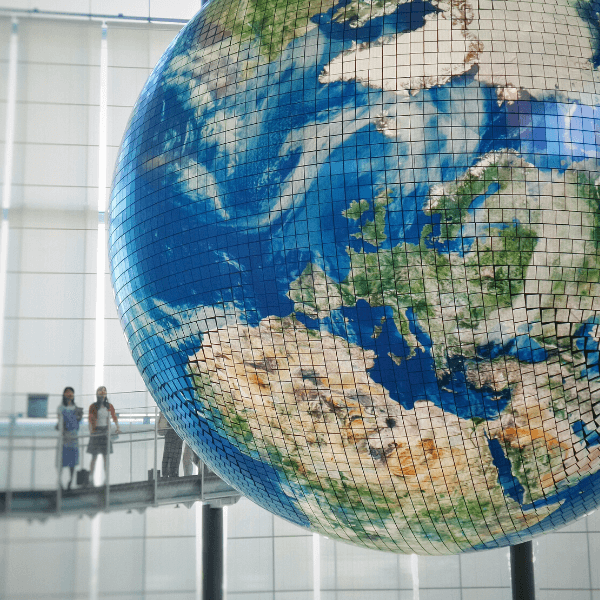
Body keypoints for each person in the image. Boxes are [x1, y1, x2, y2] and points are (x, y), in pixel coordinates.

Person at [87, 386, 121, 481]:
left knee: (105, 456)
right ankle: (91, 476)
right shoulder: (93, 406)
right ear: (97, 393)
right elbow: (90, 420)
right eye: (100, 391)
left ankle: (106, 477)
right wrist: (91, 432)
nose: (103, 392)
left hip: (105, 431)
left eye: (104, 391)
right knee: (94, 456)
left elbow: (113, 417)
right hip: (96, 431)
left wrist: (117, 427)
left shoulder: (109, 406)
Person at [57, 387, 83, 490]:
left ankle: (70, 481)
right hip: (64, 437)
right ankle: (59, 481)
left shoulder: (76, 408)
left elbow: (78, 422)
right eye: (67, 392)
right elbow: (60, 422)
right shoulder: (61, 408)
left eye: (71, 392)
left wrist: (79, 417)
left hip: (74, 437)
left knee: (72, 461)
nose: (69, 394)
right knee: (63, 459)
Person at [158, 411, 183, 477]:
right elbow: (161, 432)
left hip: (175, 442)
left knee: (172, 466)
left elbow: (161, 432)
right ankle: (169, 474)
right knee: (168, 465)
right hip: (170, 442)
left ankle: (170, 473)